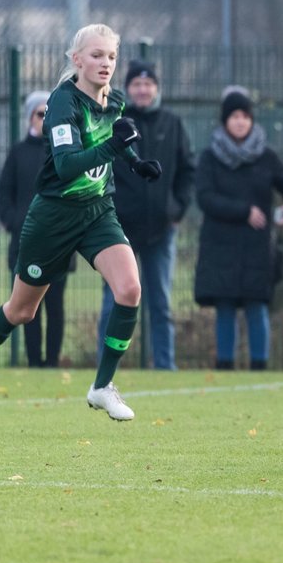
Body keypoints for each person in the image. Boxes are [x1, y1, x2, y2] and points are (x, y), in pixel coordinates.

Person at [0, 23, 163, 421]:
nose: (105, 63)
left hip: (97, 212)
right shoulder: (61, 103)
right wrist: (114, 146)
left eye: (110, 56)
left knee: (129, 289)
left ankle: (102, 386)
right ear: (77, 60)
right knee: (21, 311)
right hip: (54, 216)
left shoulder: (115, 101)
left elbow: (113, 144)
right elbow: (68, 164)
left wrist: (135, 163)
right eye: (96, 55)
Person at [194, 88, 283, 370]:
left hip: (257, 248)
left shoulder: (266, 157)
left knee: (257, 307)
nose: (241, 121)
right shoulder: (210, 157)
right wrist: (244, 211)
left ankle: (260, 366)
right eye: (234, 116)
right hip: (220, 246)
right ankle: (224, 365)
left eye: (245, 116)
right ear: (225, 121)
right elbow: (205, 198)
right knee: (225, 308)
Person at [97, 59, 195, 370]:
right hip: (120, 228)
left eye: (148, 84)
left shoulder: (173, 124)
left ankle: (165, 365)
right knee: (113, 298)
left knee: (160, 302)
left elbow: (188, 170)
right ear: (128, 89)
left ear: (156, 88)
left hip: (162, 228)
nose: (143, 89)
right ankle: (106, 364)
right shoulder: (116, 121)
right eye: (136, 84)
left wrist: (176, 209)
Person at [0, 90, 74, 368]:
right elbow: (4, 193)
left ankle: (52, 361)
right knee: (27, 308)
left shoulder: (63, 151)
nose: (45, 120)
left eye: (50, 115)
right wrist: (14, 221)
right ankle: (33, 362)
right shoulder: (17, 153)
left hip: (60, 241)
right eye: (41, 114)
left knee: (55, 306)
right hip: (25, 242)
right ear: (30, 116)